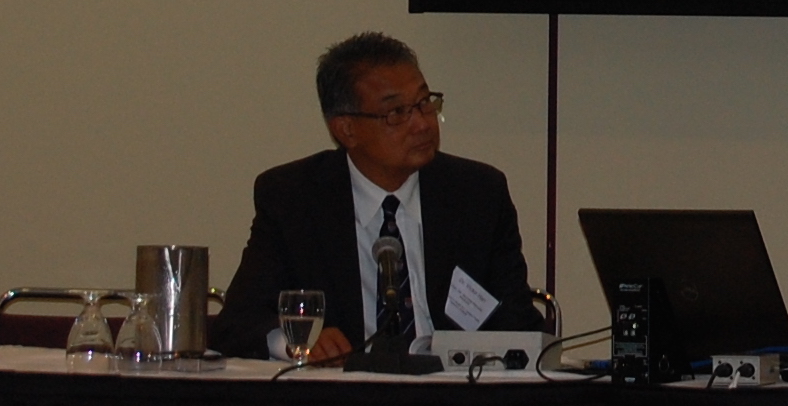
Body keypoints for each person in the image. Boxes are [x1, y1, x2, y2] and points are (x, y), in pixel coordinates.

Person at [210, 33, 547, 361]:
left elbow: (517, 322)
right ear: (346, 129)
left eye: (425, 103)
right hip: (344, 394)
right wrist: (298, 341)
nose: (422, 124)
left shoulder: (477, 194)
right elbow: (238, 321)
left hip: (452, 391)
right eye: (396, 113)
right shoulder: (294, 198)